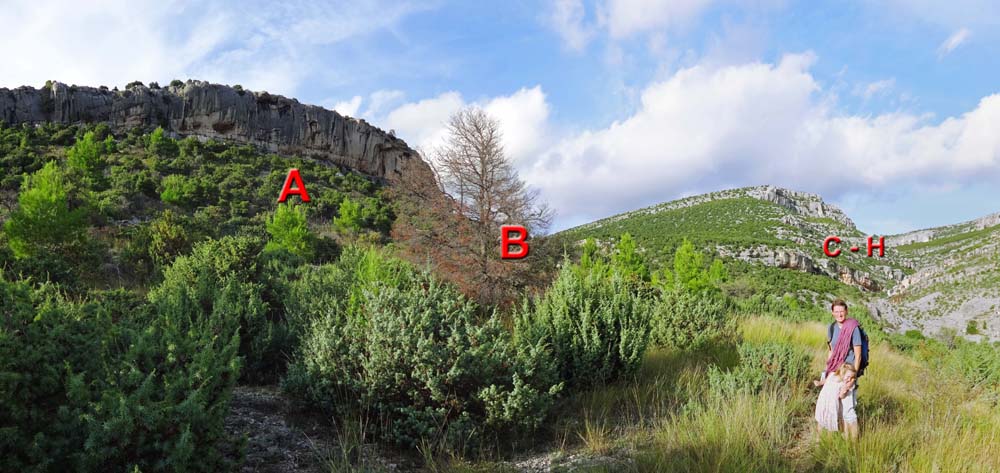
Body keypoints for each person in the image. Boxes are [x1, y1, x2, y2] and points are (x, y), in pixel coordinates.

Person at [825, 299, 862, 440]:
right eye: (837, 312)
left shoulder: (853, 328)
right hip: (835, 371)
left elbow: (858, 356)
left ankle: (853, 444)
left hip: (848, 372)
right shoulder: (832, 328)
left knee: (849, 409)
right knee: (838, 407)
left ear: (846, 311)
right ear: (832, 312)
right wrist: (827, 370)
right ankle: (845, 439)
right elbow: (831, 351)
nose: (840, 314)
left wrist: (852, 379)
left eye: (842, 311)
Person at [814, 363, 857, 433]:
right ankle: (819, 437)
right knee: (820, 419)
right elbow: (826, 381)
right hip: (823, 400)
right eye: (848, 376)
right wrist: (819, 383)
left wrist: (844, 392)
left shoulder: (844, 384)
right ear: (843, 372)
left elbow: (841, 396)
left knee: (830, 421)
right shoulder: (832, 375)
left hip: (832, 404)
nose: (849, 379)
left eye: (852, 378)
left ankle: (829, 438)